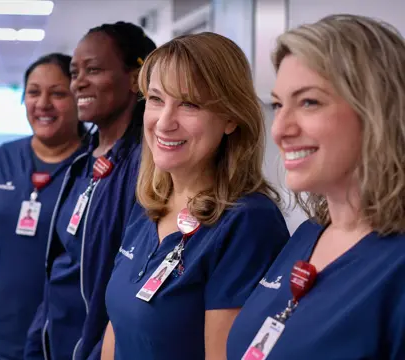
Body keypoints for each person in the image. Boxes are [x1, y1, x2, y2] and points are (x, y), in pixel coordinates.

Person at [227, 14, 405, 360]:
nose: (279, 129)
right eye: (279, 105)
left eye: (308, 102)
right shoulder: (308, 235)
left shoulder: (395, 268)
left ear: (377, 109)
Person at [102, 32, 290, 360]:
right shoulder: (150, 204)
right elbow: (116, 327)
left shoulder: (247, 222)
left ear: (231, 118)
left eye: (189, 104)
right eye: (157, 99)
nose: (164, 122)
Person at [24, 22, 156, 360]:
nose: (78, 82)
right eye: (74, 72)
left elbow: (130, 289)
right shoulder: (82, 161)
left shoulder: (148, 168)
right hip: (56, 342)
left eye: (93, 69)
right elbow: (60, 268)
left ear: (134, 78)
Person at [0, 53, 88, 360]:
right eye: (33, 92)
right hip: (4, 331)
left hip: (69, 339)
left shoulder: (94, 167)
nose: (43, 103)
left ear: (78, 101)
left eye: (57, 93)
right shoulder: (2, 159)